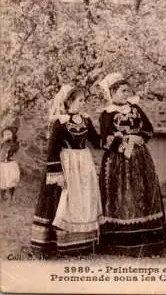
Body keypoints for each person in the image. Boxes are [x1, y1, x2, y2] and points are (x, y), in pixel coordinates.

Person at [98, 72, 166, 257]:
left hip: (140, 158)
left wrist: (139, 137)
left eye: (127, 91)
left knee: (142, 193)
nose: (125, 94)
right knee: (121, 195)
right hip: (117, 161)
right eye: (122, 91)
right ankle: (120, 242)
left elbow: (149, 129)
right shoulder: (107, 114)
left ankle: (149, 242)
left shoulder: (135, 109)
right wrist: (122, 143)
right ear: (112, 92)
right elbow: (104, 140)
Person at [31, 84, 104, 258]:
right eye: (80, 100)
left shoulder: (86, 120)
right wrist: (57, 175)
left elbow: (96, 141)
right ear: (69, 101)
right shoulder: (60, 122)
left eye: (84, 100)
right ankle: (58, 243)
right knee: (64, 200)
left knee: (84, 199)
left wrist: (112, 137)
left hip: (84, 164)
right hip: (67, 164)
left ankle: (83, 243)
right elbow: (52, 151)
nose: (83, 103)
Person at [0, 126, 20, 201]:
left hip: (10, 165)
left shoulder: (15, 143)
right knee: (2, 181)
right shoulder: (2, 144)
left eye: (9, 134)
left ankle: (11, 196)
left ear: (13, 135)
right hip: (2, 165)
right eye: (5, 134)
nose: (7, 136)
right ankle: (2, 197)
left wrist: (10, 142)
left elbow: (15, 149)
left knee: (11, 180)